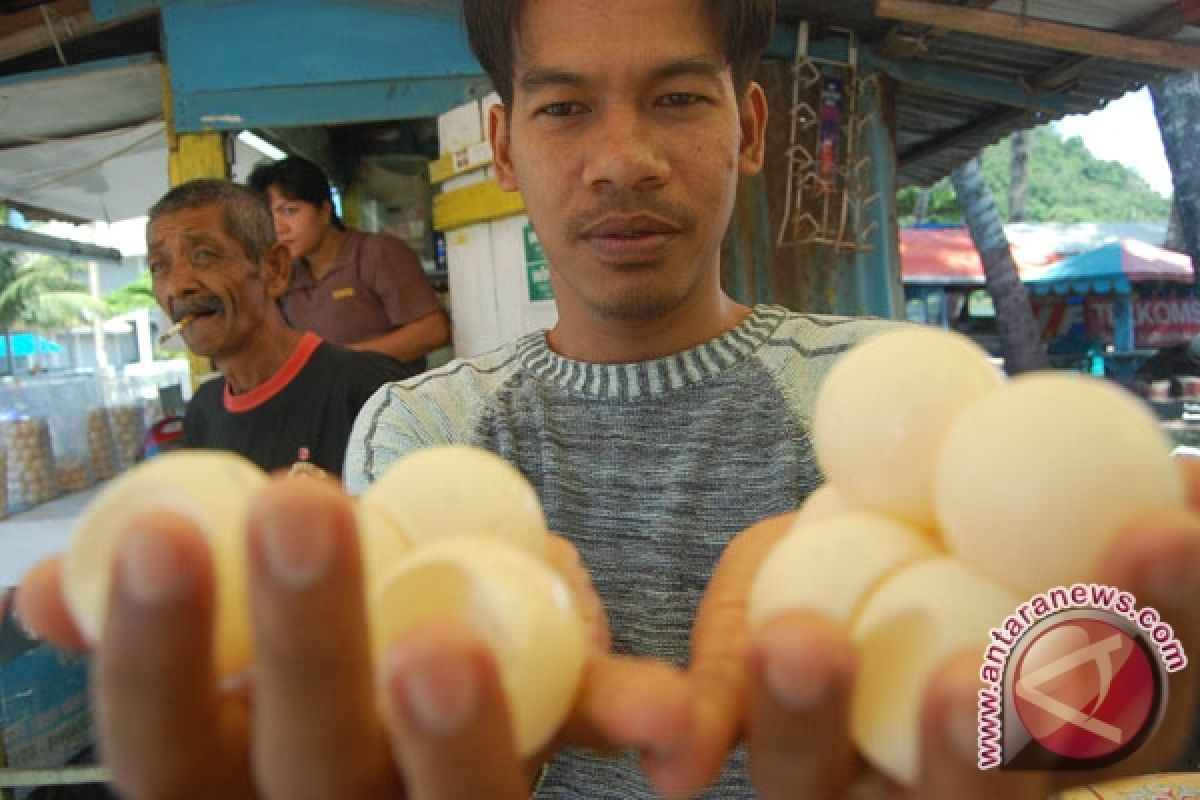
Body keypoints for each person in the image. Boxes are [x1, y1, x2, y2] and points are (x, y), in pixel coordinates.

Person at [11, 3, 1200, 800]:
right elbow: (388, 693)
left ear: (749, 129)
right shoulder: (426, 432)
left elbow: (1054, 665)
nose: (621, 157)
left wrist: (1109, 701)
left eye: (678, 100)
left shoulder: (901, 407)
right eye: (566, 107)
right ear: (505, 144)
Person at [147, 179, 415, 476]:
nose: (176, 286)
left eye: (204, 256)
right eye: (159, 266)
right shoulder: (203, 413)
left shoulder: (369, 391)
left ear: (275, 269)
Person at [247, 156, 450, 372]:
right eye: (269, 217)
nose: (279, 228)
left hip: (387, 398)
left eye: (290, 211)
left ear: (325, 211)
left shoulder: (375, 254)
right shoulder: (286, 275)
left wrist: (339, 360)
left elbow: (434, 331)